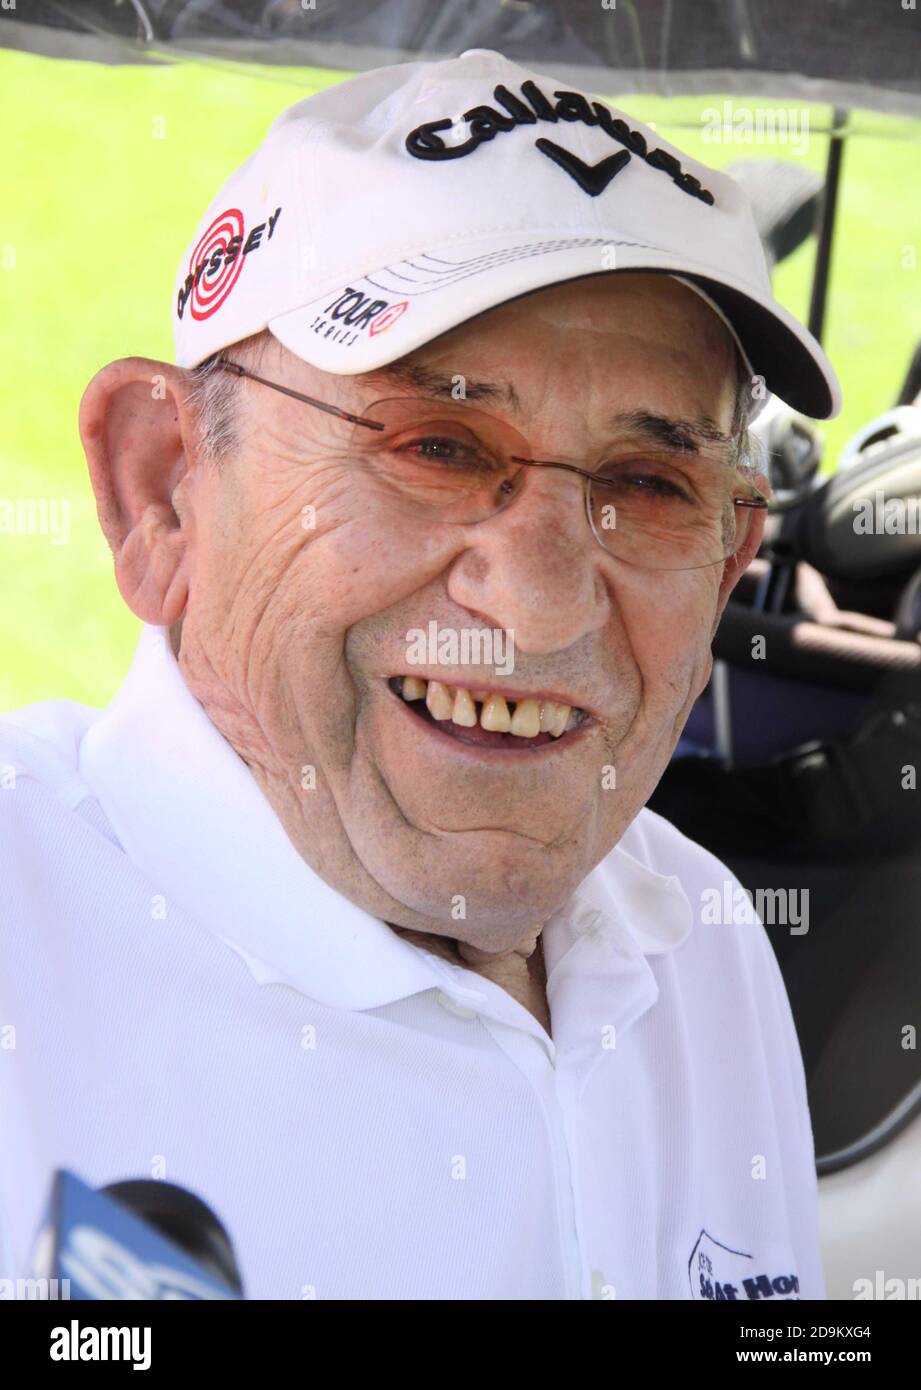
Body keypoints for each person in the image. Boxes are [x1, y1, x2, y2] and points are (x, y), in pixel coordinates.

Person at [0, 48, 841, 1300]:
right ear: (161, 490)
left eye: (648, 485)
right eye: (438, 445)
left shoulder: (701, 941)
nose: (546, 606)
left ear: (728, 567)